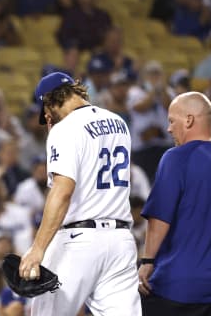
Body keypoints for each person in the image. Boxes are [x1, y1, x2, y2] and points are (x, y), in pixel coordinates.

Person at [18, 72, 141, 315]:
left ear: (50, 101)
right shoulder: (118, 122)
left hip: (78, 241)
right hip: (121, 241)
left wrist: (38, 248)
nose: (46, 117)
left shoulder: (64, 129)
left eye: (45, 110)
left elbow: (62, 191)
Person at [138, 92, 211, 315]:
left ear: (189, 120)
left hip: (180, 289)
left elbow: (159, 217)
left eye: (172, 121)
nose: (168, 129)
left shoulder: (176, 157)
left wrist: (148, 260)